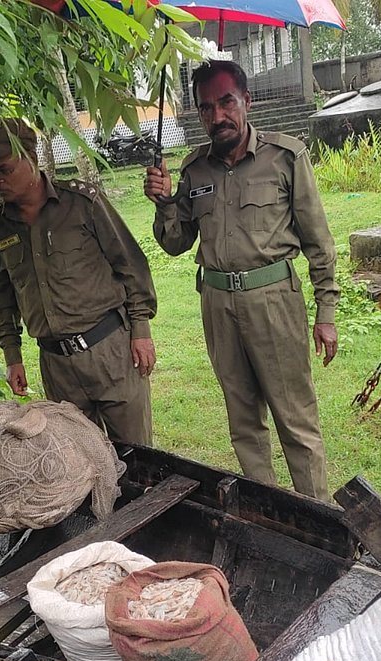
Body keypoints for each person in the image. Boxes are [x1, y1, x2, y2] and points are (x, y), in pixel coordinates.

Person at [144, 60, 340, 500]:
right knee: (243, 421)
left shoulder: (285, 157)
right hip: (218, 305)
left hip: (274, 300)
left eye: (226, 102)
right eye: (206, 107)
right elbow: (175, 243)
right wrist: (164, 202)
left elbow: (319, 242)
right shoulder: (195, 169)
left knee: (295, 419)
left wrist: (326, 313)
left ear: (246, 101)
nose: (218, 116)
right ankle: (267, 514)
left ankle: (318, 517)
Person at [0, 118, 158, 445]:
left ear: (31, 158)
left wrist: (141, 331)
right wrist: (12, 356)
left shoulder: (82, 204)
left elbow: (130, 264)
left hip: (110, 352)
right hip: (57, 367)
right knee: (77, 459)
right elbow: (1, 297)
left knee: (136, 455)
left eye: (4, 170)